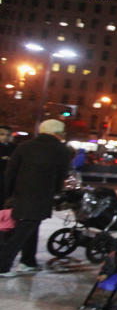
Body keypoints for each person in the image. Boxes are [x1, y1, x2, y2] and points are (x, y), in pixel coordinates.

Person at [0, 119, 70, 277]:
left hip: (18, 195)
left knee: (29, 228)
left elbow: (10, 173)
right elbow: (61, 176)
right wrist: (57, 193)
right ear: (58, 133)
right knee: (22, 232)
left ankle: (28, 261)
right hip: (41, 196)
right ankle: (3, 265)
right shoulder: (61, 150)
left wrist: (9, 195)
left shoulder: (24, 146)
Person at [0, 125, 16, 206]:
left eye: (8, 135)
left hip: (8, 183)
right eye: (2, 134)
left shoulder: (14, 148)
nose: (5, 137)